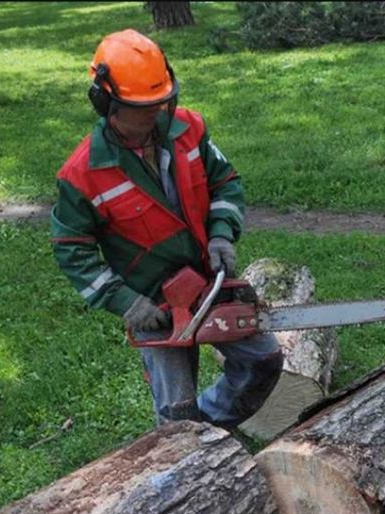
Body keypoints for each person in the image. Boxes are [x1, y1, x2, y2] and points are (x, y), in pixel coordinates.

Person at [50, 29, 283, 427]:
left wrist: (222, 231)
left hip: (209, 280)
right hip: (154, 301)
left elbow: (225, 181)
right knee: (177, 415)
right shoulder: (83, 174)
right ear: (105, 102)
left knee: (264, 361)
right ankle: (185, 454)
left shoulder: (188, 129)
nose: (157, 113)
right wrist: (126, 301)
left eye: (162, 102)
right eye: (143, 106)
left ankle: (213, 427)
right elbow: (72, 248)